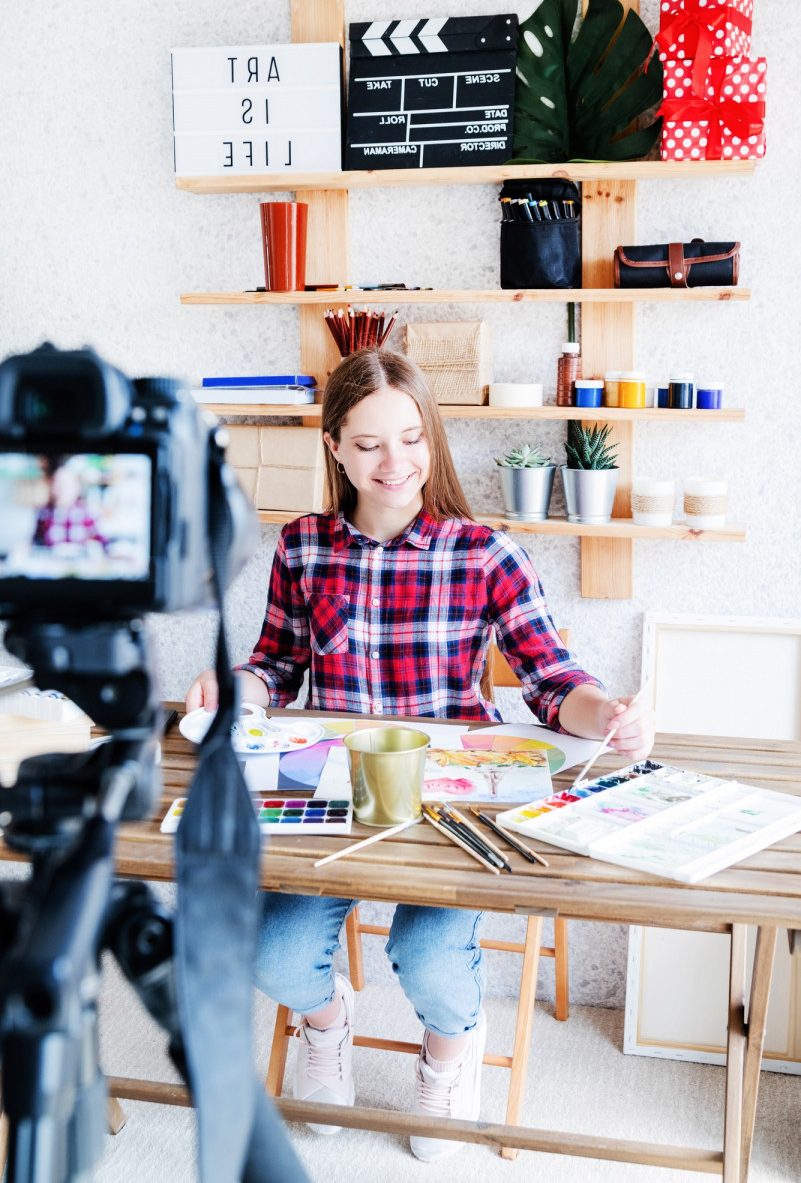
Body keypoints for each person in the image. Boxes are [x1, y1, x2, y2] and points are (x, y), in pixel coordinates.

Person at [186, 347, 654, 1162]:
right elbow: (273, 663)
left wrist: (607, 713)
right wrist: (237, 689)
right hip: (331, 795)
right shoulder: (304, 546)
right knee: (272, 953)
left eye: (409, 439)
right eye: (367, 445)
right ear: (332, 447)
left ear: (430, 439)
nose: (392, 463)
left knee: (429, 956)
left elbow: (552, 682)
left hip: (453, 802)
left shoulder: (485, 553)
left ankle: (448, 1059)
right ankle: (325, 1025)